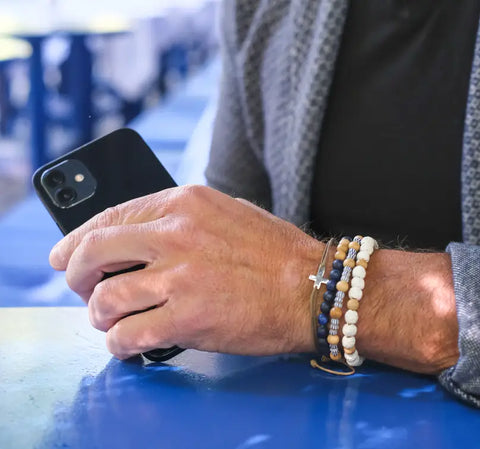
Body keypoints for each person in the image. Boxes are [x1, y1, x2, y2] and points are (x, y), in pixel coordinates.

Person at [49, 0, 480, 407]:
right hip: (303, 411)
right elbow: (236, 222)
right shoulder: (264, 9)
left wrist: (311, 288)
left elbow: (274, 277)